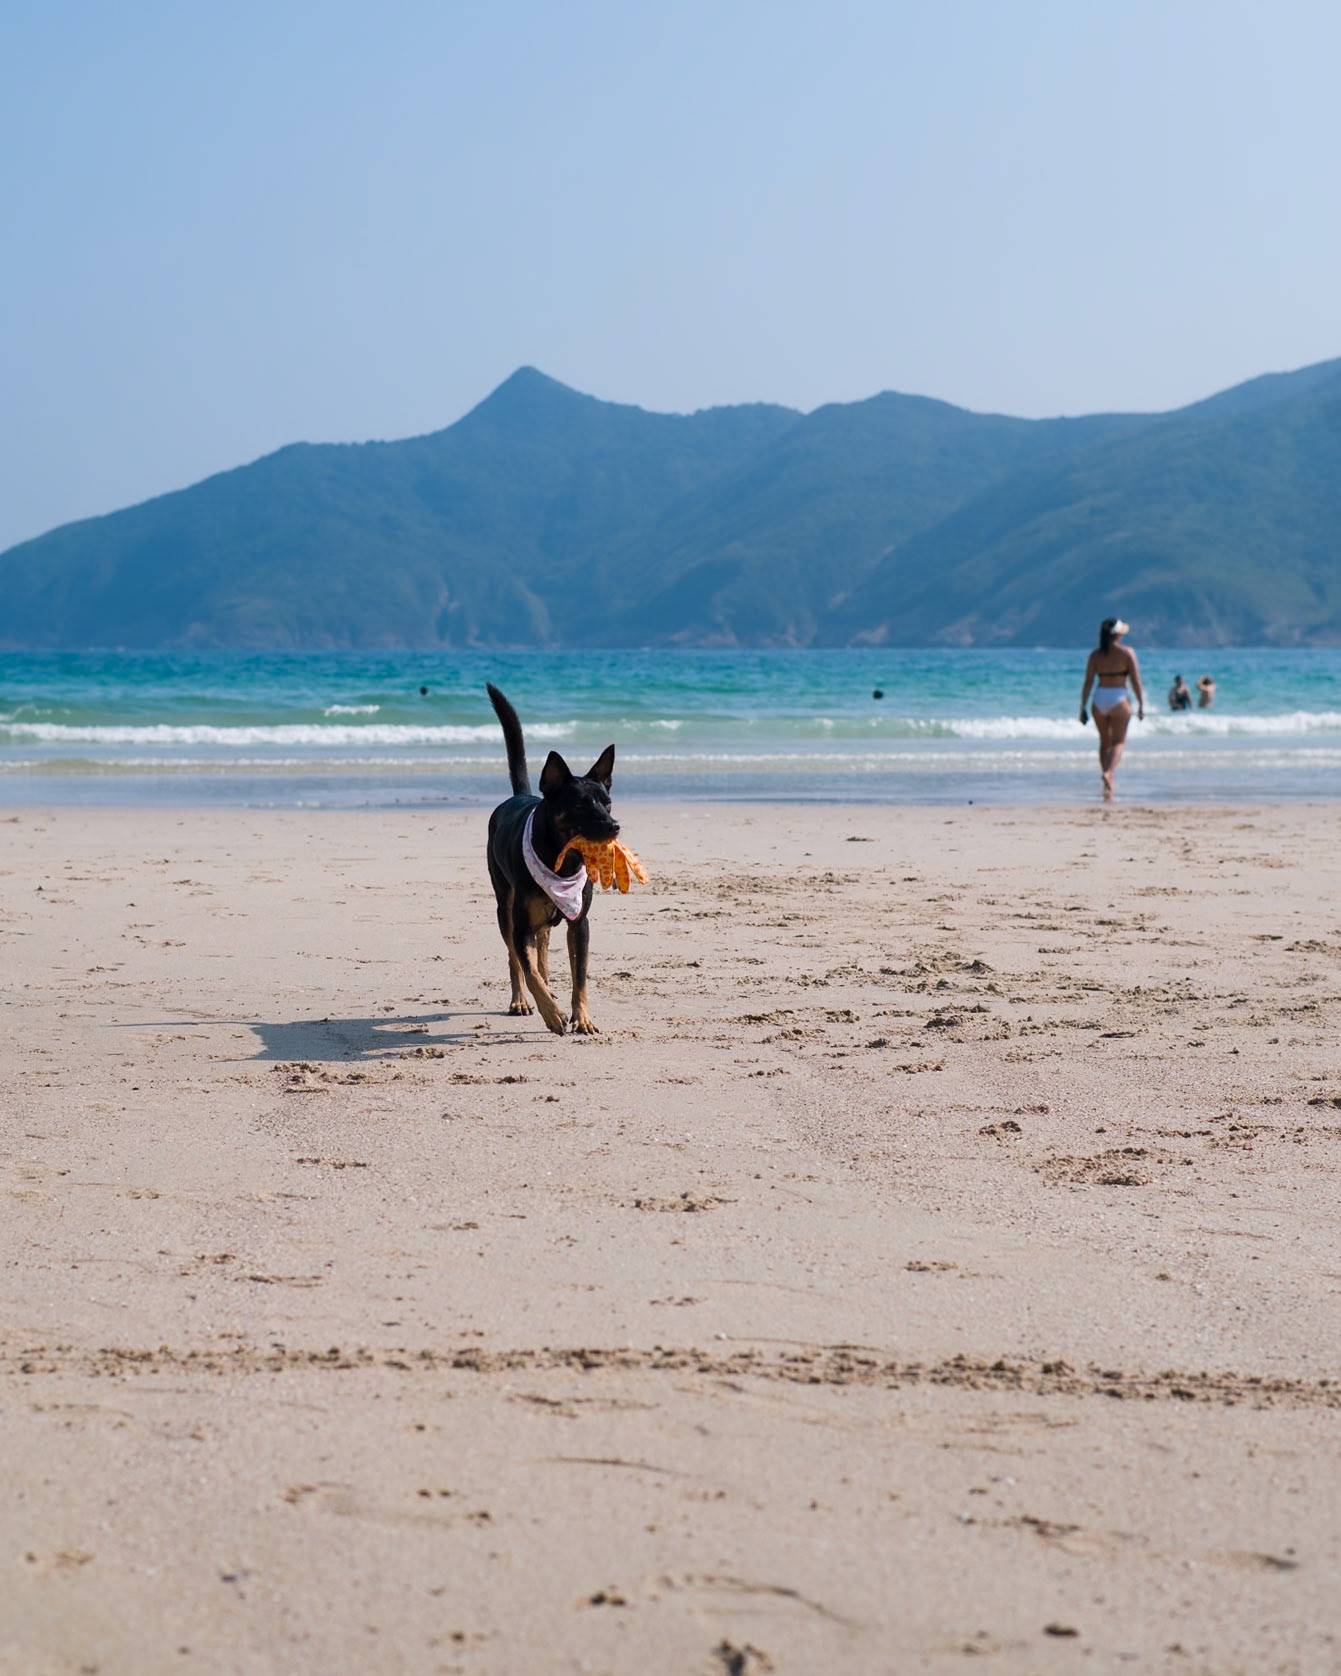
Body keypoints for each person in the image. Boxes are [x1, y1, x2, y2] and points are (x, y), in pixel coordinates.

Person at [1079, 617, 1144, 799]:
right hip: (1119, 698)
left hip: (1099, 698)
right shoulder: (1127, 653)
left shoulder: (1095, 655)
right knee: (1119, 742)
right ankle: (1109, 773)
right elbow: (1136, 680)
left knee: (1104, 742)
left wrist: (1082, 707)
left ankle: (1107, 778)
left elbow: (1088, 683)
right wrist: (1141, 704)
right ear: (1118, 634)